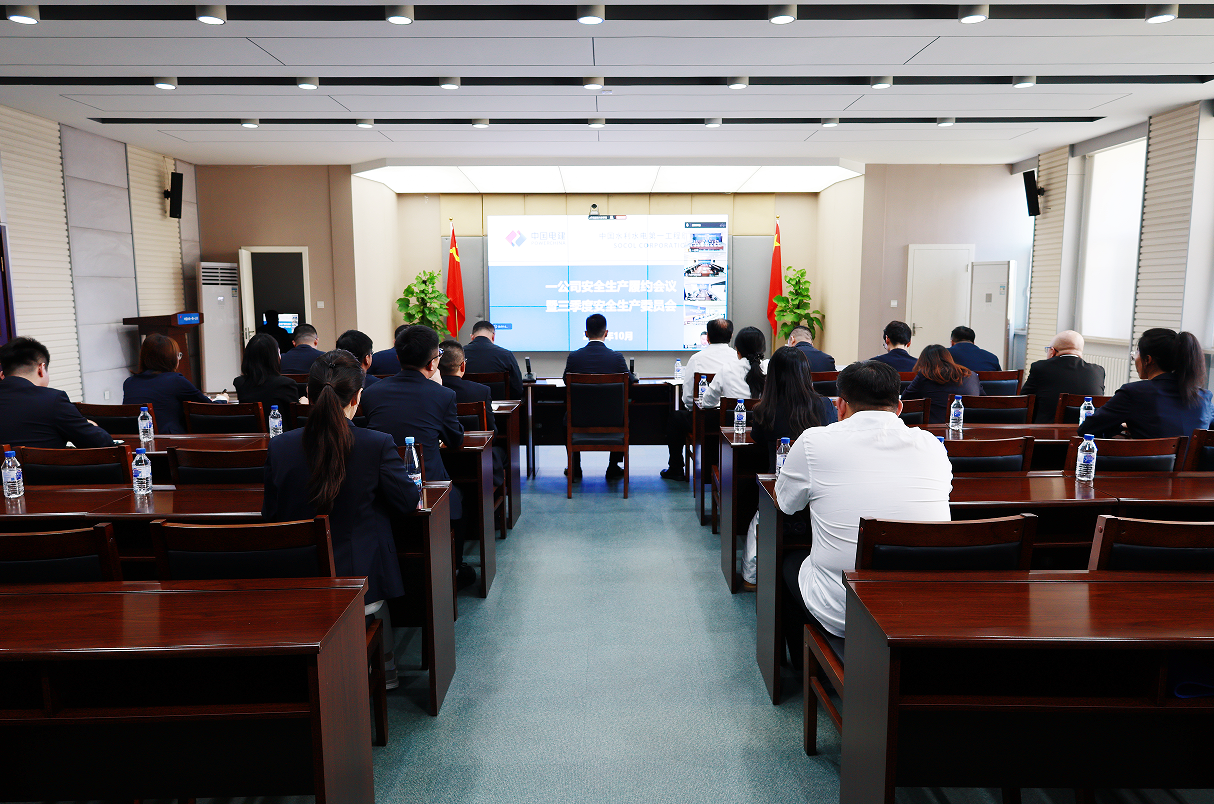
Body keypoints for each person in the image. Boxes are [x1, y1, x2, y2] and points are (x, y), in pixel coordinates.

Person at [262, 350, 420, 688]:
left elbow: (270, 516)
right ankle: (385, 671)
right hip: (358, 581)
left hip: (298, 578)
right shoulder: (377, 444)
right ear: (358, 397)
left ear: (309, 394)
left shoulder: (280, 447)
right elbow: (407, 501)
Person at [777, 360, 952, 640]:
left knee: (789, 562)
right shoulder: (933, 444)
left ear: (840, 406)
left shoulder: (812, 442)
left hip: (844, 607)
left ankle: (805, 660)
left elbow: (786, 505)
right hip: (920, 604)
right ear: (899, 407)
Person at [362, 325, 471, 581]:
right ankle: (455, 567)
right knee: (458, 497)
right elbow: (455, 439)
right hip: (426, 486)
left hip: (379, 486)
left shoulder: (372, 392)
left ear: (398, 357)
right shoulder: (443, 394)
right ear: (433, 363)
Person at [742, 346, 837, 586]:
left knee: (758, 515)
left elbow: (758, 439)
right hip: (820, 486)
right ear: (806, 373)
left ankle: (750, 577)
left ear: (772, 376)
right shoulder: (824, 405)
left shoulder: (764, 410)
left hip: (780, 487)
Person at [1079, 328, 1214, 439]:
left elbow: (1087, 429)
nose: (1134, 358)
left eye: (1137, 353)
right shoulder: (1204, 397)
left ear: (1148, 360)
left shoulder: (1134, 392)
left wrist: (1121, 426)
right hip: (1190, 465)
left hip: (1144, 465)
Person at [0, 336, 112, 449]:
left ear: (2, 375)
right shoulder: (52, 400)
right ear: (41, 369)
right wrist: (91, 425)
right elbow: (100, 443)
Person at [562, 314, 637, 480]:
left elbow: (566, 381)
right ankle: (613, 466)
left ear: (586, 333)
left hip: (579, 420)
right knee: (625, 415)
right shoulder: (617, 358)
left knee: (566, 418)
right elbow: (630, 381)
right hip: (613, 420)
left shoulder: (574, 357)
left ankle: (575, 467)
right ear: (606, 333)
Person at [663, 317, 736, 480]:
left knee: (675, 418)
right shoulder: (737, 358)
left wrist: (697, 411)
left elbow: (688, 398)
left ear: (707, 337)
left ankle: (676, 468)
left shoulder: (697, 359)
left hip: (704, 419)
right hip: (732, 419)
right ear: (731, 336)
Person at [123, 333, 221, 434]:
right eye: (178, 355)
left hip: (134, 440)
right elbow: (209, 408)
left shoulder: (129, 383)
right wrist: (222, 399)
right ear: (171, 358)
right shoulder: (175, 380)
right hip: (169, 440)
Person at [439, 339, 504, 487]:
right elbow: (491, 433)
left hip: (441, 463)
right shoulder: (481, 391)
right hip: (475, 462)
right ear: (463, 365)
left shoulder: (430, 392)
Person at [1021, 330, 1106, 423]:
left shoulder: (1040, 367)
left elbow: (1023, 402)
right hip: (1085, 429)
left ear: (1052, 351)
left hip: (1047, 430)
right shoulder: (1098, 371)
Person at [901, 344, 982, 424]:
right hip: (970, 427)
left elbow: (905, 399)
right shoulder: (971, 375)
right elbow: (983, 399)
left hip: (935, 427)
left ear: (923, 362)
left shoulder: (925, 376)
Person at [232, 333, 306, 419]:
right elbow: (293, 418)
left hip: (250, 428)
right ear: (275, 357)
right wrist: (303, 405)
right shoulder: (286, 384)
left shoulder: (240, 383)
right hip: (279, 427)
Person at [700, 325, 767, 409]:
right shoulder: (770, 368)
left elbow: (707, 402)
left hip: (733, 417)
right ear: (762, 349)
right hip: (765, 418)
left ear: (737, 349)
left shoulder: (727, 369)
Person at [463, 320, 524, 400]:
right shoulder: (506, 355)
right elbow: (518, 388)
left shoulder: (460, 354)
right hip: (500, 405)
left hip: (467, 405)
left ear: (472, 337)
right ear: (493, 336)